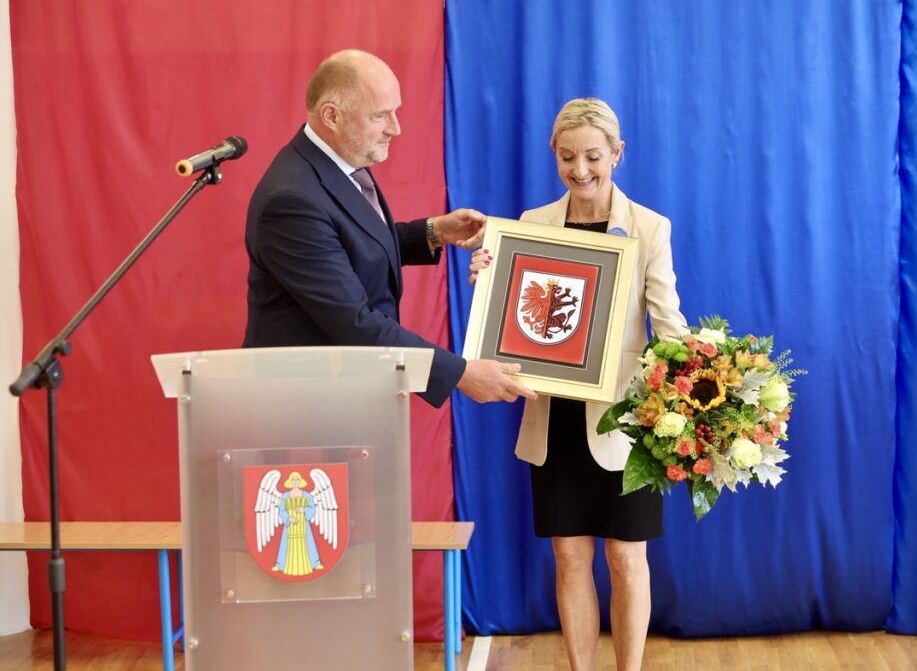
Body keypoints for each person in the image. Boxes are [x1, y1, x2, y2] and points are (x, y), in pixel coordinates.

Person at [470, 98, 687, 671]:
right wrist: (487, 285)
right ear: (553, 154)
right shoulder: (530, 224)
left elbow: (670, 328)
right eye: (568, 157)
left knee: (626, 560)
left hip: (626, 422)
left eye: (593, 156)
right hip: (555, 418)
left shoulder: (650, 227)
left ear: (618, 153)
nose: (581, 169)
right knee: (569, 559)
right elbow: (512, 321)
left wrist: (701, 382)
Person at [243, 49, 534, 407]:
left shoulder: (337, 161)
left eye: (395, 111)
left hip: (345, 394)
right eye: (380, 116)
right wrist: (459, 373)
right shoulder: (291, 201)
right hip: (305, 405)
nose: (396, 128)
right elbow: (353, 322)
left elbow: (350, 243)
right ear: (332, 116)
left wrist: (434, 233)